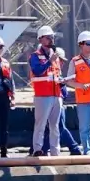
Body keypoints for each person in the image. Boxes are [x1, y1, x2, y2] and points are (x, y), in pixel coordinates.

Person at [42, 48, 83, 156]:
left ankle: (74, 148)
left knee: (58, 127)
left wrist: (61, 84)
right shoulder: (52, 72)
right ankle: (42, 150)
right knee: (51, 128)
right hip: (51, 102)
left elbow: (64, 93)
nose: (63, 63)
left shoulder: (57, 73)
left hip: (57, 104)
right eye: (61, 60)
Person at [29, 26, 62, 157]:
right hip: (43, 95)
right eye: (48, 37)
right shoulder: (35, 56)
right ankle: (37, 148)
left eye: (52, 37)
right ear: (41, 39)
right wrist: (50, 61)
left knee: (55, 126)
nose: (51, 40)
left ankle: (55, 151)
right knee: (40, 124)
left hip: (56, 95)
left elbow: (57, 74)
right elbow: (37, 71)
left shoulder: (56, 57)